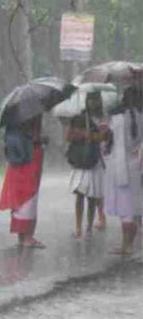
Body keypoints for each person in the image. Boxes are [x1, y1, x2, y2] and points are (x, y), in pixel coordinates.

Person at [102, 86, 143, 256]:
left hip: (120, 168)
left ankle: (126, 246)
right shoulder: (141, 116)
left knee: (126, 210)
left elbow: (111, 144)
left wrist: (105, 133)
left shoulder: (117, 118)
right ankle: (127, 245)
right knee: (132, 208)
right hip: (136, 167)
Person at [0, 115, 46, 248]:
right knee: (29, 198)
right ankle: (28, 237)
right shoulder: (33, 115)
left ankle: (21, 236)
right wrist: (42, 139)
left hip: (15, 164)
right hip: (30, 161)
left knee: (19, 199)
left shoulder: (11, 122)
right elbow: (34, 138)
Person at [66, 92, 108, 238]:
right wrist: (82, 134)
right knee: (80, 194)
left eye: (95, 100)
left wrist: (93, 135)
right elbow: (69, 136)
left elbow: (104, 137)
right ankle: (78, 228)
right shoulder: (78, 117)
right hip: (80, 160)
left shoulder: (101, 118)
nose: (93, 102)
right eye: (91, 99)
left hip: (94, 160)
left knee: (92, 196)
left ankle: (89, 226)